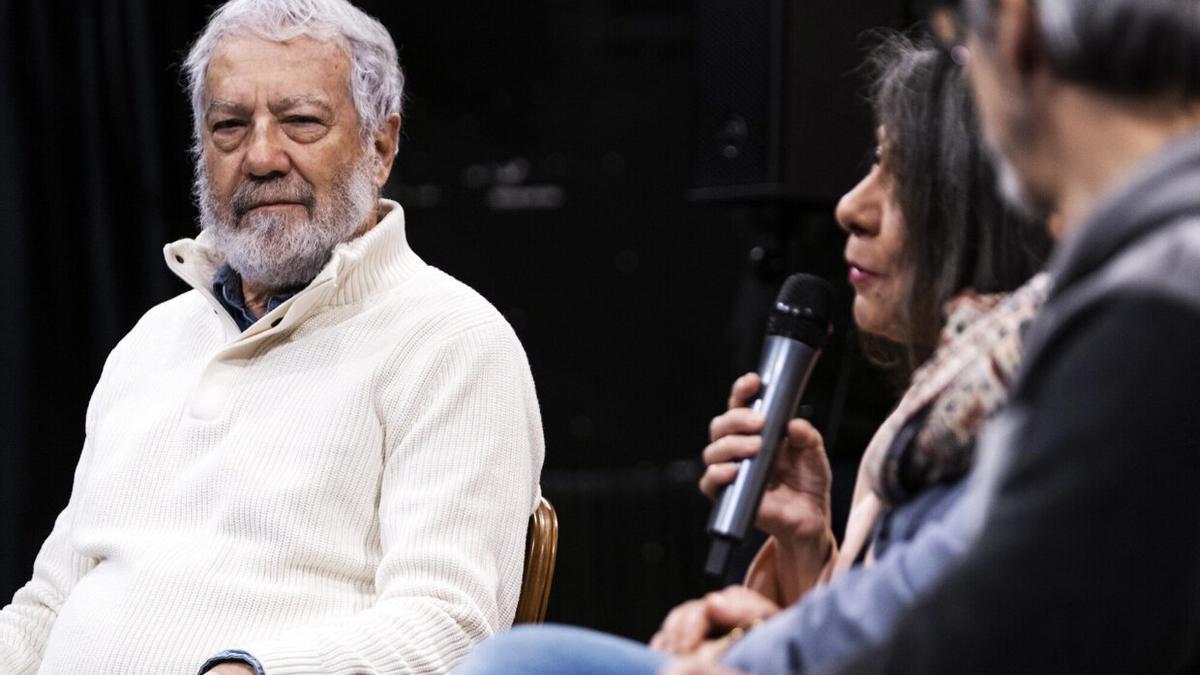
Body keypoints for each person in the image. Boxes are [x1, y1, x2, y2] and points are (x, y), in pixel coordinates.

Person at [452, 34, 1051, 675]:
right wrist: (804, 545)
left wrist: (743, 657)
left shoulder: (1027, 410)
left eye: (899, 177)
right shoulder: (937, 396)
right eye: (871, 165)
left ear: (984, 211)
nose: (851, 208)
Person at [0, 1, 544, 673]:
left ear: (380, 147)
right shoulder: (151, 342)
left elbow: (451, 624)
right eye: (229, 126)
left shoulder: (451, 342)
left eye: (301, 122)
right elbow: (50, 604)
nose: (260, 156)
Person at [814, 0, 1200, 672]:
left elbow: (1001, 607)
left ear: (1018, 29)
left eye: (961, 41)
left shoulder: (1151, 306)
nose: (851, 206)